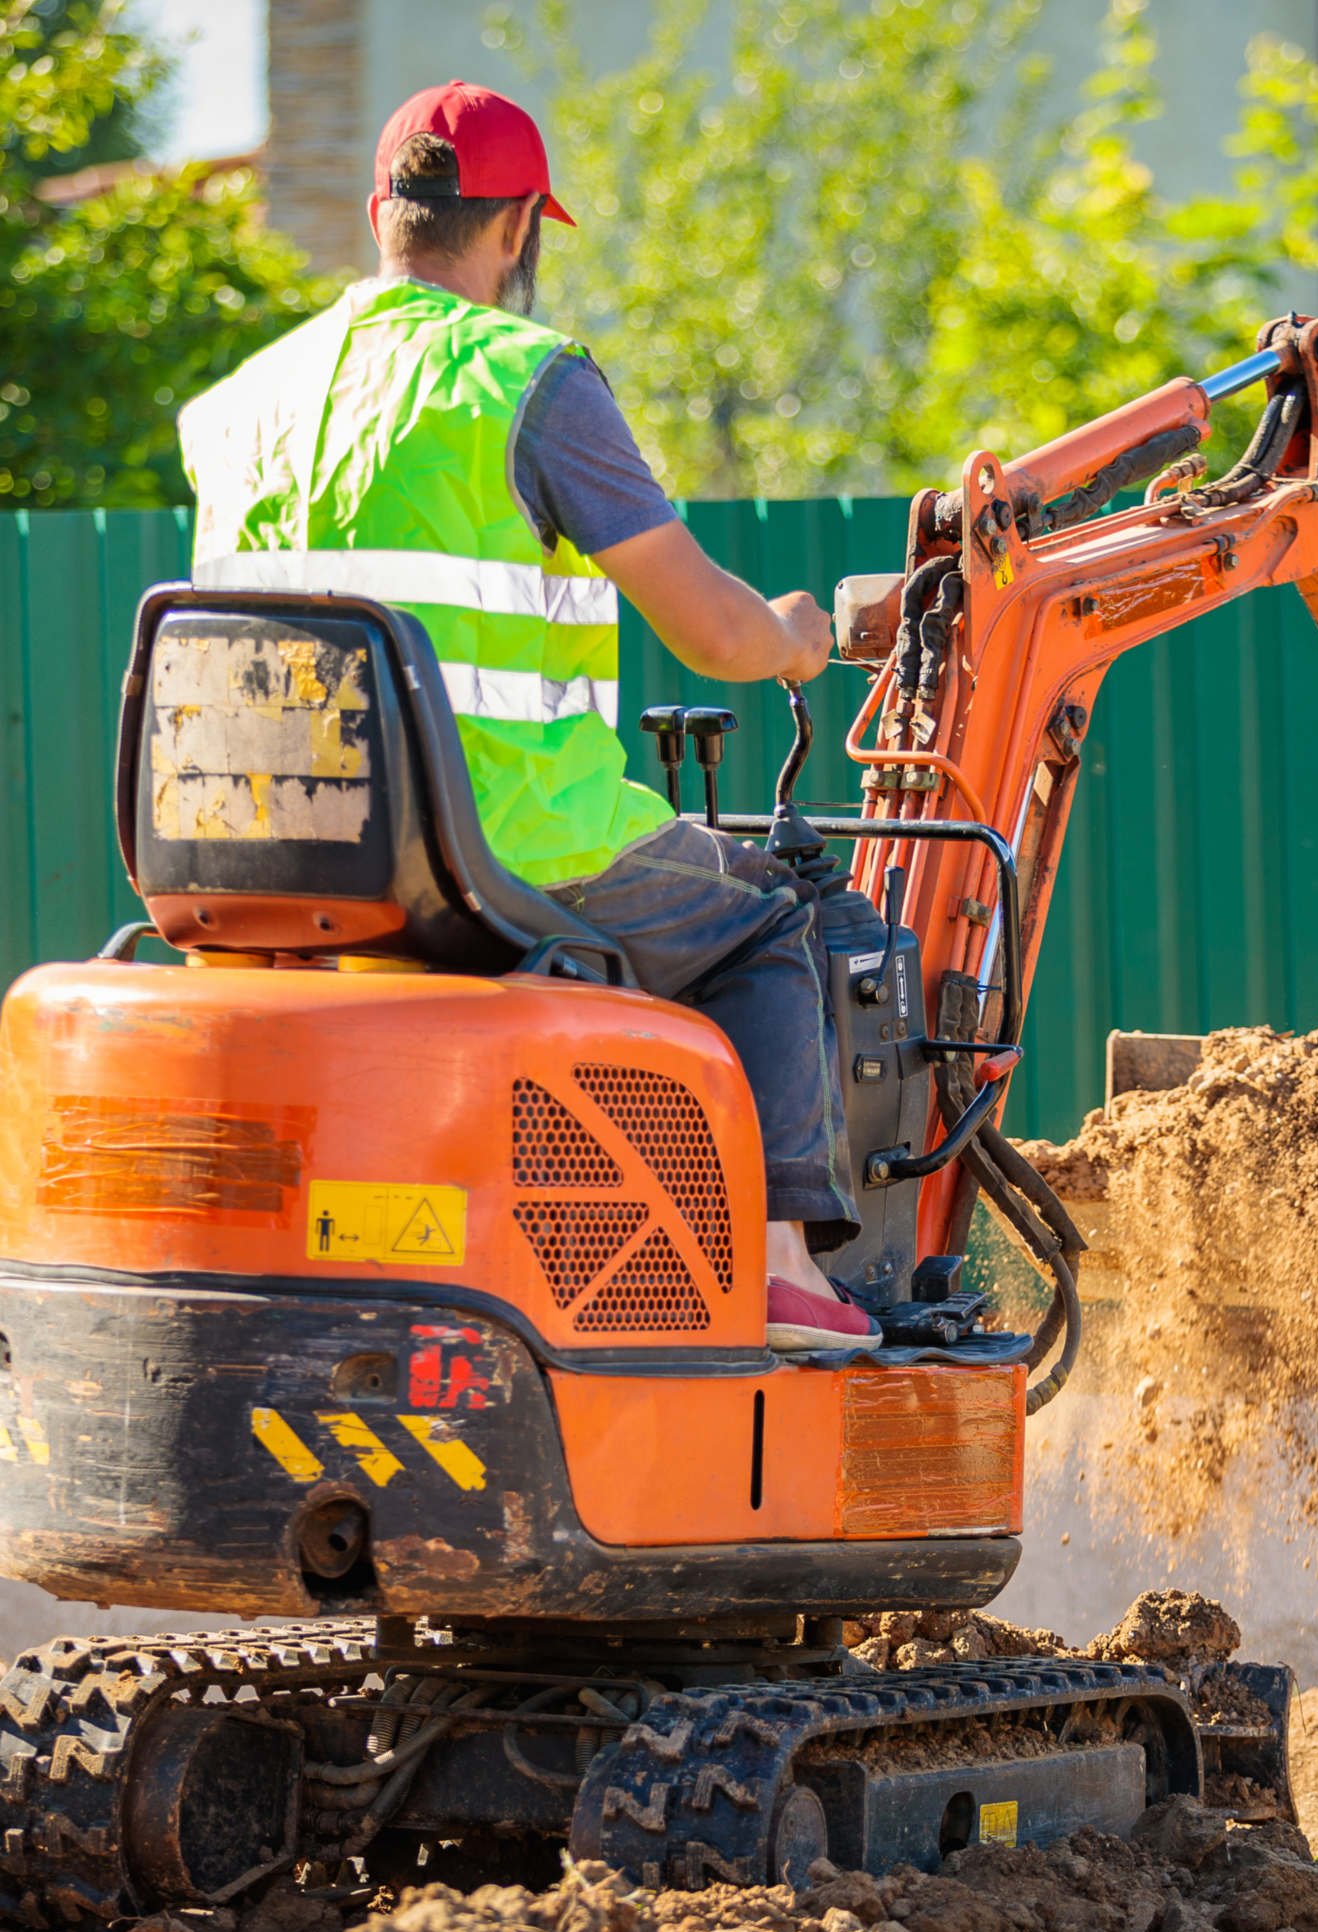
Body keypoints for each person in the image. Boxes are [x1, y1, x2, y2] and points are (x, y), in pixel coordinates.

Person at [178, 81, 876, 1354]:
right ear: (516, 235)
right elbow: (715, 633)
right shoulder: (528, 384)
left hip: (278, 861)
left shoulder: (241, 408)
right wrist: (795, 636)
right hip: (502, 851)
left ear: (384, 211)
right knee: (771, 921)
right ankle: (785, 1270)